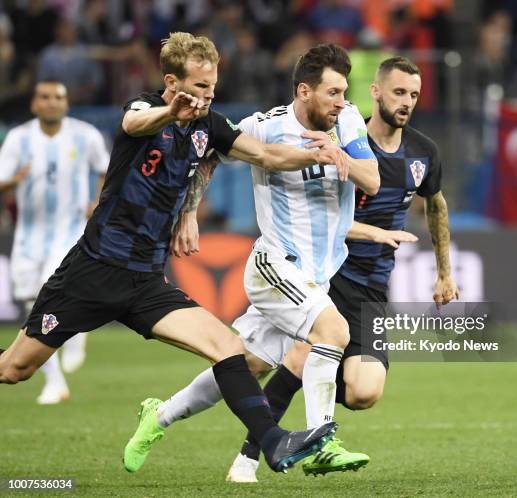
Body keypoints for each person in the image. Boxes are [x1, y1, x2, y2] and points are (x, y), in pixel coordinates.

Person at [0, 32, 346, 473]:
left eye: (213, 87)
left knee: (227, 346)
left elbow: (266, 154)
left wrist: (322, 155)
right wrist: (170, 112)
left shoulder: (209, 126)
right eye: (200, 88)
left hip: (145, 282)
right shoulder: (144, 109)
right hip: (92, 273)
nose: (208, 96)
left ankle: (274, 441)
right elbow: (134, 125)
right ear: (171, 81)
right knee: (15, 369)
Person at [122, 43, 380, 476]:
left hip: (317, 275)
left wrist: (341, 157)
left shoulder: (350, 120)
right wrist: (188, 213)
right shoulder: (265, 127)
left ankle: (158, 416)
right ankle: (323, 440)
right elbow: (207, 155)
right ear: (303, 90)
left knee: (248, 365)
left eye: (343, 92)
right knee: (332, 331)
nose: (341, 102)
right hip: (274, 263)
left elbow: (371, 178)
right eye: (332, 93)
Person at [225, 55, 459, 481]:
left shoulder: (423, 152)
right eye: (399, 93)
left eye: (414, 95)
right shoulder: (344, 138)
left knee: (364, 391)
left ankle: (307, 403)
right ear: (376, 92)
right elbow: (322, 219)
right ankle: (248, 457)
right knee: (270, 361)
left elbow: (436, 206)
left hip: (372, 289)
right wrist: (370, 232)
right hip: (329, 273)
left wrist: (444, 272)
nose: (407, 102)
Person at [0, 80, 108, 404]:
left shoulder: (84, 135)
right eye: (45, 97)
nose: (51, 103)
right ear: (34, 104)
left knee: (47, 293)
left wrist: (98, 201)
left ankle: (56, 379)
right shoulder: (19, 139)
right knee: (30, 304)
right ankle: (64, 361)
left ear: (66, 103)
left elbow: (105, 169)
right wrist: (14, 181)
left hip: (69, 229)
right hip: (28, 235)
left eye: (58, 97)